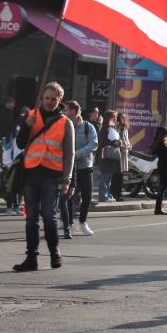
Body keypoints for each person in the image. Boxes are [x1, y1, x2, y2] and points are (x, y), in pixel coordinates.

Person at [12, 82, 75, 272]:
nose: (49, 102)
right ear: (42, 98)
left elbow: (70, 153)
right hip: (31, 173)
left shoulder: (66, 123)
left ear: (60, 100)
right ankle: (31, 257)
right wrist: (25, 126)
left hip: (52, 175)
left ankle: (55, 252)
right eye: (46, 98)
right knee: (31, 218)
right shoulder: (31, 116)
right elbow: (21, 144)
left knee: (49, 215)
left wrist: (67, 179)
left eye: (53, 99)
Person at [63, 101, 97, 237]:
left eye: (67, 110)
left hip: (84, 165)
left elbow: (93, 144)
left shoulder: (88, 127)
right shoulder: (64, 125)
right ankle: (69, 224)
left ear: (75, 111)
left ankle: (83, 222)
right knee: (69, 195)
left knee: (87, 195)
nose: (65, 112)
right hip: (69, 166)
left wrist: (79, 153)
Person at [150, 126, 167, 215]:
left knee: (163, 187)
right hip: (166, 166)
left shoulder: (161, 142)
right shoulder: (163, 142)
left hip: (163, 165)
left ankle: (158, 209)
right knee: (163, 188)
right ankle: (158, 209)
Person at [97, 111, 120, 202]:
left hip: (110, 157)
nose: (115, 119)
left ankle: (108, 195)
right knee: (105, 177)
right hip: (105, 156)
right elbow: (103, 142)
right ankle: (103, 196)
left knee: (109, 178)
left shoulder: (111, 128)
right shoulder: (104, 129)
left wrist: (119, 142)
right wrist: (114, 143)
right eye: (114, 117)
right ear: (109, 118)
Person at [110, 112, 131, 201]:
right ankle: (114, 194)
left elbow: (127, 140)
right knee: (116, 174)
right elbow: (115, 140)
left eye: (124, 118)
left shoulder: (125, 129)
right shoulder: (115, 128)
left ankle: (118, 195)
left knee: (121, 175)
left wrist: (129, 145)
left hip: (124, 153)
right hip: (118, 152)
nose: (123, 119)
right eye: (122, 117)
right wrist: (122, 145)